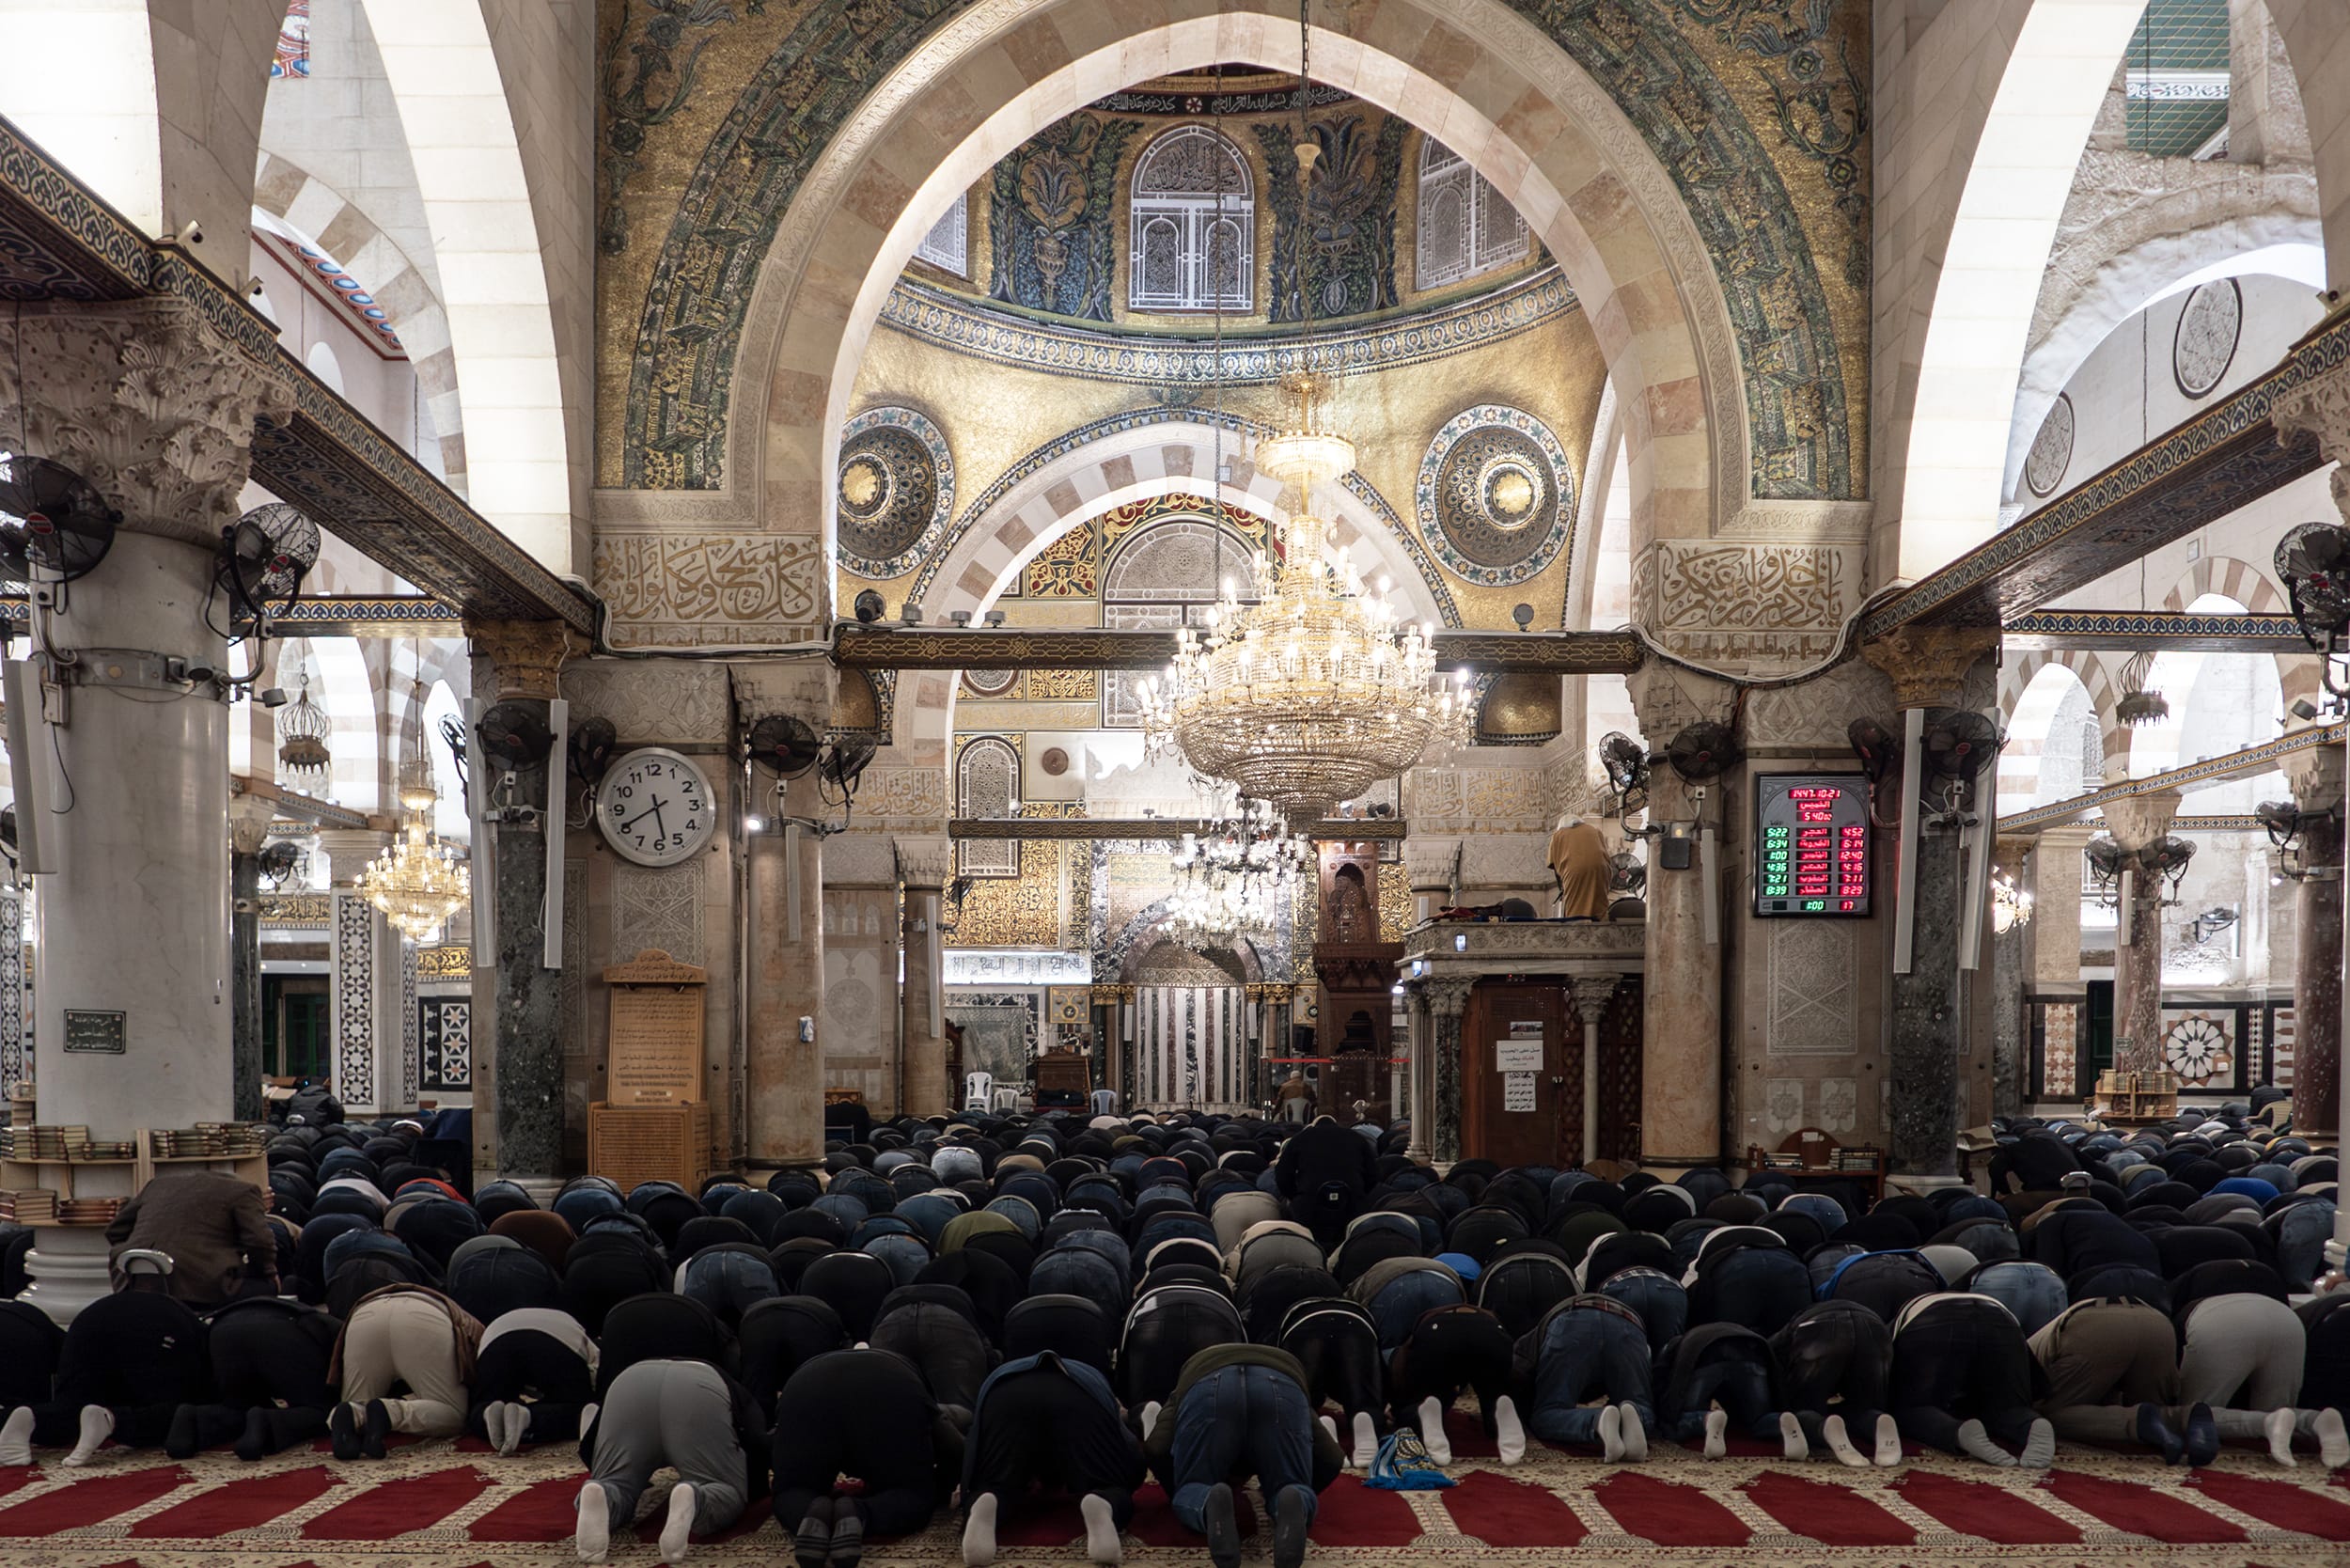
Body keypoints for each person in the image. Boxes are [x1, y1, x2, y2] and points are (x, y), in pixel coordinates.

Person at [1143, 1342, 1345, 1568]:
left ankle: (1206, 1500)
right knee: (1291, 1484)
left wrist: (1181, 1488)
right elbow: (1332, 1457)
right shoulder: (1285, 1370)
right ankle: (1291, 1496)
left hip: (1208, 1383)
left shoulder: (1188, 1377)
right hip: (1283, 1382)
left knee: (1195, 1484)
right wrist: (1301, 1484)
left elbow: (1156, 1447)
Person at [771, 1348, 960, 1568]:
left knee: (792, 1491)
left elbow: (775, 1449)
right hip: (892, 1392)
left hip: (803, 1389)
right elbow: (953, 1446)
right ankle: (858, 1513)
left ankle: (810, 1511)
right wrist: (940, 1488)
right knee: (911, 1495)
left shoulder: (813, 1372)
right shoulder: (913, 1382)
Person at [960, 1348, 1145, 1567]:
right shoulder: (1093, 1380)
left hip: (1003, 1394)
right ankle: (1104, 1502)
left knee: (995, 1484)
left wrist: (972, 1483)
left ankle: (986, 1499)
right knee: (1109, 1485)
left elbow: (975, 1443)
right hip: (1079, 1396)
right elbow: (1126, 1446)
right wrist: (1124, 1481)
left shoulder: (1009, 1371)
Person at [575, 1357, 769, 1564]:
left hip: (630, 1383)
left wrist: (602, 1469)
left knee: (615, 1481)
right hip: (698, 1391)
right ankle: (696, 1498)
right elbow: (757, 1441)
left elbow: (590, 1441)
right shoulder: (736, 1389)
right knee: (722, 1488)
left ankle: (603, 1492)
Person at [0, 1291, 212, 1466]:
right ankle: (112, 1420)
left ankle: (32, 1416)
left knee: (72, 1403)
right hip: (153, 1325)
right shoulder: (205, 1343)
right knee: (179, 1413)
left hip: (91, 1319)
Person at [1889, 1294, 2055, 1468]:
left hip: (1932, 1323)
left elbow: (1890, 1378)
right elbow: (2034, 1385)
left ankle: (1957, 1432)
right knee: (2007, 1408)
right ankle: (2029, 1424)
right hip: (2003, 1322)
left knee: (1911, 1409)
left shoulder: (1905, 1314)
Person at [166, 1294, 340, 1461]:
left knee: (238, 1407)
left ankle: (196, 1421)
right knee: (325, 1412)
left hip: (222, 1331)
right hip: (277, 1332)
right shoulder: (336, 1329)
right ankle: (267, 1423)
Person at [329, 1282, 483, 1456]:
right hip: (426, 1317)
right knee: (452, 1412)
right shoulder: (475, 1325)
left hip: (364, 1315)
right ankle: (391, 1412)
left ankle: (352, 1414)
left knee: (357, 1404)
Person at [103, 1169, 276, 1308]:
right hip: (198, 1287)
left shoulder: (157, 1185)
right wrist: (266, 1272)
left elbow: (115, 1230)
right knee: (266, 1286)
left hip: (133, 1281)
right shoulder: (243, 1191)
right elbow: (260, 1242)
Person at [1516, 1294, 1654, 1460]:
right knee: (1640, 1405)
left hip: (1572, 1322)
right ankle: (1636, 1416)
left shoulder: (1526, 1347)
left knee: (1546, 1414)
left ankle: (1597, 1421)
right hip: (1629, 1323)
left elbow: (1519, 1373)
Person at [1385, 1302, 1525, 1466]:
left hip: (1437, 1335)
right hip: (1492, 1334)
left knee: (1419, 1404)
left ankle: (1425, 1410)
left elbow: (1402, 1370)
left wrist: (1398, 1406)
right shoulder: (1489, 1317)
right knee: (1491, 1394)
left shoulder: (1422, 1327)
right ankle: (1500, 1406)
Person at [474, 1306, 601, 1453]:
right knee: (577, 1410)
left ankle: (487, 1413)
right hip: (557, 1339)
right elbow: (595, 1375)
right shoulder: (580, 1332)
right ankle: (529, 1418)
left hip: (496, 1338)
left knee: (481, 1404)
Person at [1275, 1116, 1377, 1250]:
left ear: (1313, 1125)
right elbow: (1373, 1174)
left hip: (1310, 1206)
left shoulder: (1300, 1139)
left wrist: (1296, 1196)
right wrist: (1359, 1194)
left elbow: (1282, 1175)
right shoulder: (1356, 1138)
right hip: (1352, 1205)